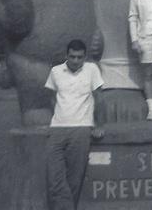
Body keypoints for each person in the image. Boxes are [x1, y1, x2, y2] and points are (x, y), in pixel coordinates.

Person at [45, 39, 105, 210]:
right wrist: (58, 116)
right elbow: (51, 99)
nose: (76, 61)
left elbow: (100, 99)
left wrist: (99, 125)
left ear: (85, 57)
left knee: (74, 179)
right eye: (72, 57)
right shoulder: (55, 71)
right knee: (55, 179)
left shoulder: (92, 70)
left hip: (81, 128)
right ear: (67, 55)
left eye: (79, 57)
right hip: (57, 129)